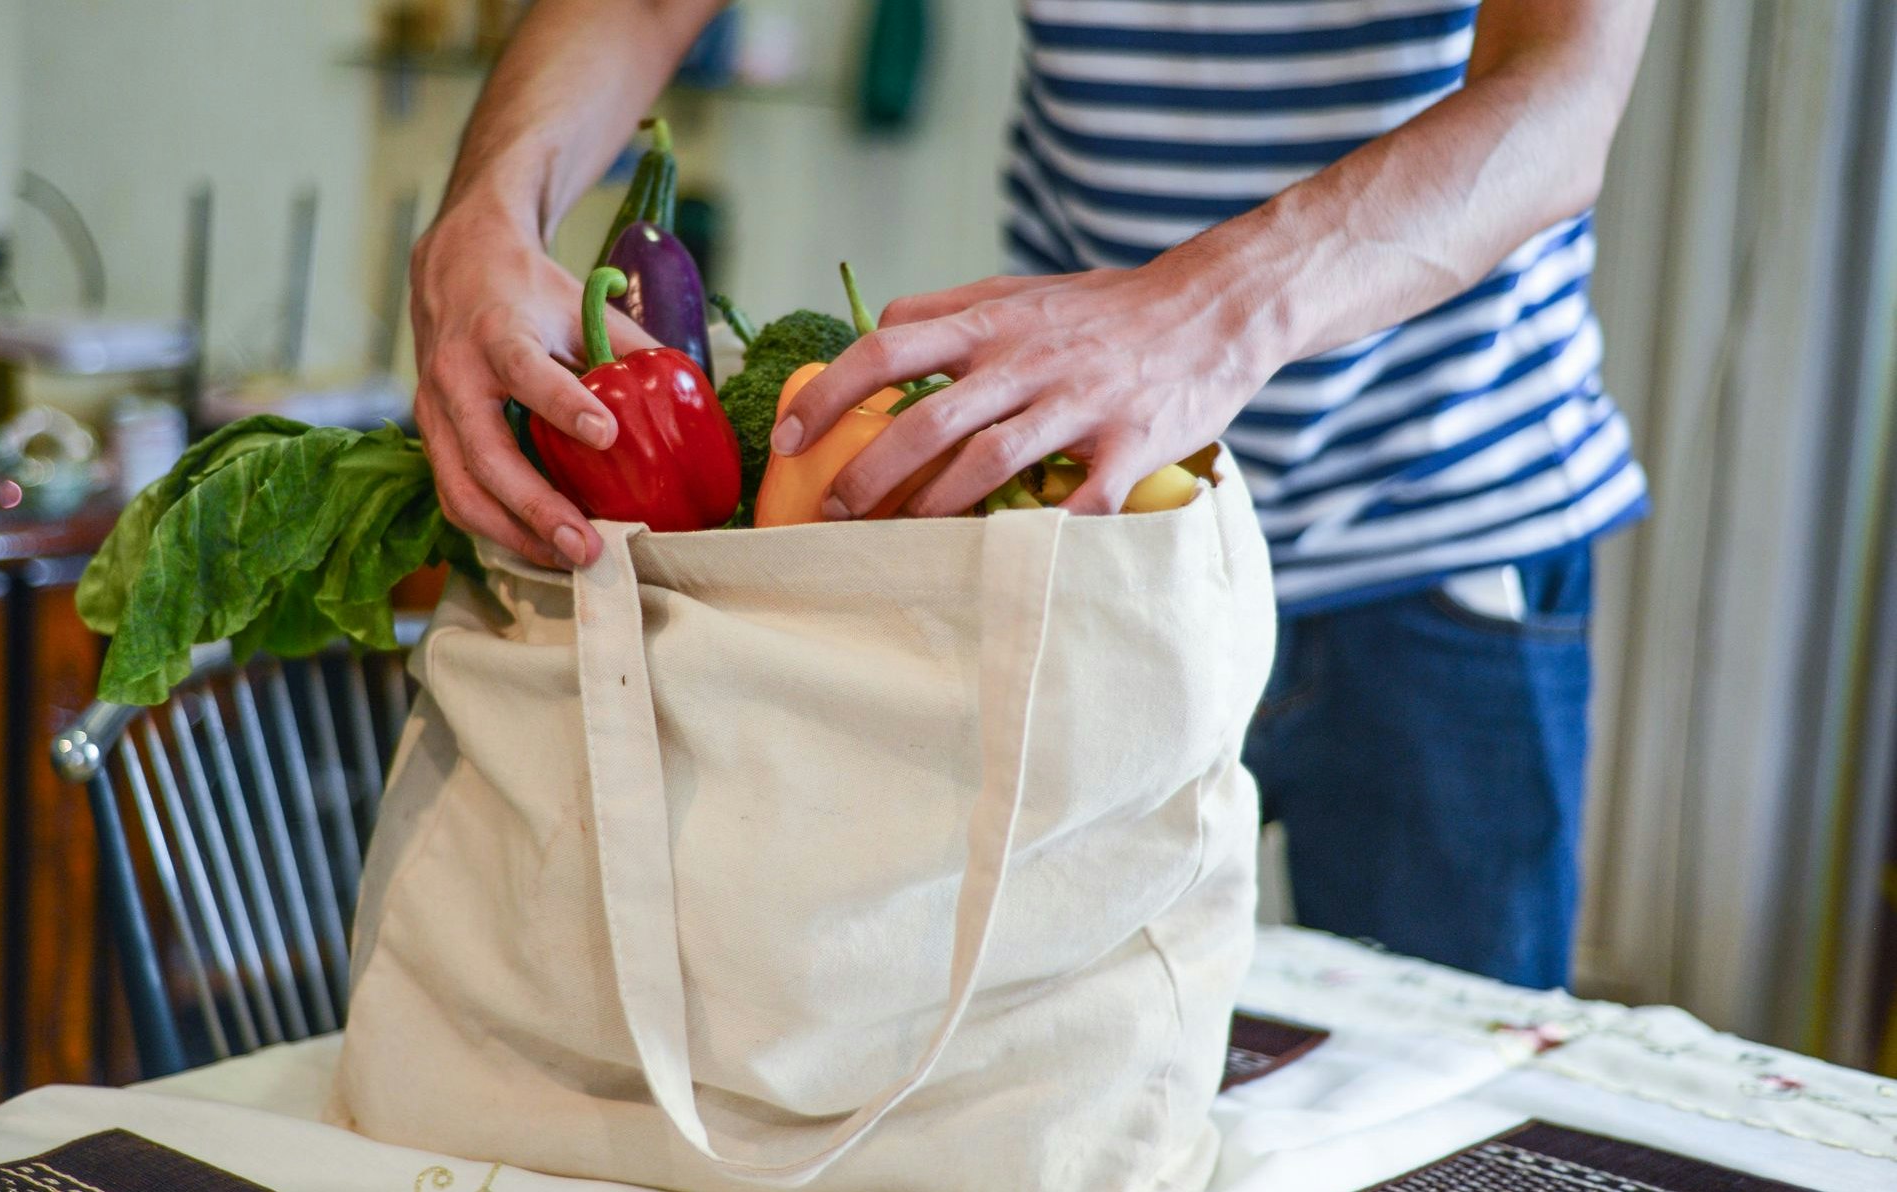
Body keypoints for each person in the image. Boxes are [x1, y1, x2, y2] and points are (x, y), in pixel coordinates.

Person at [407, 0, 1657, 991]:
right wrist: (483, 213)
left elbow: (1558, 93)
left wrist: (1202, 313)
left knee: (1442, 1102)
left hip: (1441, 531)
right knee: (1030, 1074)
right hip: (1058, 541)